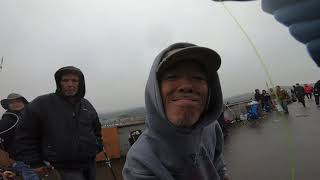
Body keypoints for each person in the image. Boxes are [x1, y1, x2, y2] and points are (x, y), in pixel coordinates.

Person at [123, 42, 229, 180]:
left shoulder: (212, 128)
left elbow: (218, 168)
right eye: (172, 77)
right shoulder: (140, 161)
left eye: (198, 78)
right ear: (155, 91)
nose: (186, 86)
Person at [13, 66, 103, 180]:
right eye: (65, 80)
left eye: (74, 80)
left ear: (80, 83)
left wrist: (97, 146)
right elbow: (25, 136)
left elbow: (96, 129)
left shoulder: (86, 104)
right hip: (64, 166)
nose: (70, 84)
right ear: (59, 83)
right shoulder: (41, 104)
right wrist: (35, 162)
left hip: (89, 162)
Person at [0, 93, 40, 180]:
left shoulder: (31, 116)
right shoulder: (7, 120)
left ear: (24, 103)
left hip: (39, 154)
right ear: (8, 106)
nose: (16, 104)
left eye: (18, 101)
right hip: (24, 159)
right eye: (12, 102)